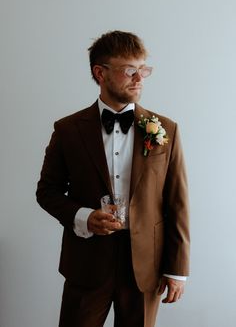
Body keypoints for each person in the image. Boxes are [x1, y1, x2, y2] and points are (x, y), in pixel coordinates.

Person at [36, 30, 190, 327]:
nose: (139, 78)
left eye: (143, 69)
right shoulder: (68, 130)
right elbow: (48, 191)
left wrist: (177, 269)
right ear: (100, 73)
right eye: (129, 70)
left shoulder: (165, 129)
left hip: (146, 266)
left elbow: (178, 203)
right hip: (86, 263)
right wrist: (83, 216)